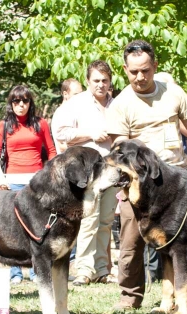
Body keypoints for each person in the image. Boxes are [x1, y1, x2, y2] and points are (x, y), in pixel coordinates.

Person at [106, 39, 187, 313]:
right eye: (133, 72)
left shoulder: (173, 92)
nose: (140, 77)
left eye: (145, 70)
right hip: (140, 184)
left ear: (155, 66)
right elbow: (120, 149)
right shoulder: (120, 104)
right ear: (124, 69)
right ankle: (130, 298)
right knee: (131, 241)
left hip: (177, 180)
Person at [56, 60, 117, 285]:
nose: (101, 85)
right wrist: (91, 134)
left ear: (110, 81)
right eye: (96, 81)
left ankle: (102, 269)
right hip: (86, 171)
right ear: (88, 81)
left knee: (106, 220)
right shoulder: (76, 103)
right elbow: (63, 133)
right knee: (88, 219)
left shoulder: (117, 104)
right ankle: (83, 270)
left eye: (105, 80)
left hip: (111, 169)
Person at [0, 85, 57, 284]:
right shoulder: (4, 125)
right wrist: (1, 178)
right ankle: (15, 272)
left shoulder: (41, 123)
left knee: (38, 226)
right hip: (12, 182)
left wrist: (49, 176)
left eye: (25, 101)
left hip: (36, 182)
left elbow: (52, 152)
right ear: (11, 104)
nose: (21, 105)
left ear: (30, 102)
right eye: (16, 101)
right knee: (12, 226)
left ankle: (37, 271)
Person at [51, 78, 83, 153]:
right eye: (76, 94)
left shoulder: (73, 111)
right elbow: (62, 146)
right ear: (65, 94)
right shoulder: (62, 113)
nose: (80, 97)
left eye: (81, 94)